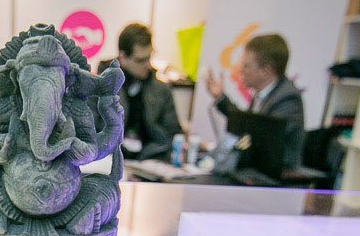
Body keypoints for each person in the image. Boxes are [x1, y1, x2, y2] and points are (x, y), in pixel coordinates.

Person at [205, 33, 305, 171]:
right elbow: (247, 124)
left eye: (246, 65)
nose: (240, 69)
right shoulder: (262, 94)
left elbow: (258, 138)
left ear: (265, 71)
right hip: (255, 171)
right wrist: (220, 97)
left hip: (273, 177)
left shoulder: (287, 99)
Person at [99, 22, 182, 161]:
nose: (148, 65)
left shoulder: (162, 91)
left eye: (149, 57)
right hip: (107, 162)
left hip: (150, 161)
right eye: (141, 60)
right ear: (123, 57)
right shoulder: (99, 87)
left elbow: (173, 134)